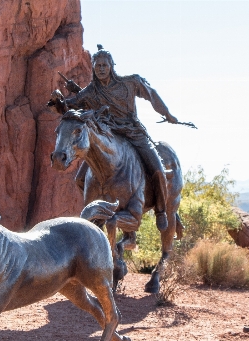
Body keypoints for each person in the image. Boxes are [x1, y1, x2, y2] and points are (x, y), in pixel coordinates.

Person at [50, 45, 179, 232]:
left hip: (134, 134)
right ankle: (97, 208)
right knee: (80, 179)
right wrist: (58, 102)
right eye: (97, 65)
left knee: (158, 169)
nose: (101, 68)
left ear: (111, 66)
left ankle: (160, 210)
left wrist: (167, 113)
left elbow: (152, 95)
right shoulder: (90, 91)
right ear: (93, 67)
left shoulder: (129, 83)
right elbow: (69, 107)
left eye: (104, 65)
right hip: (108, 138)